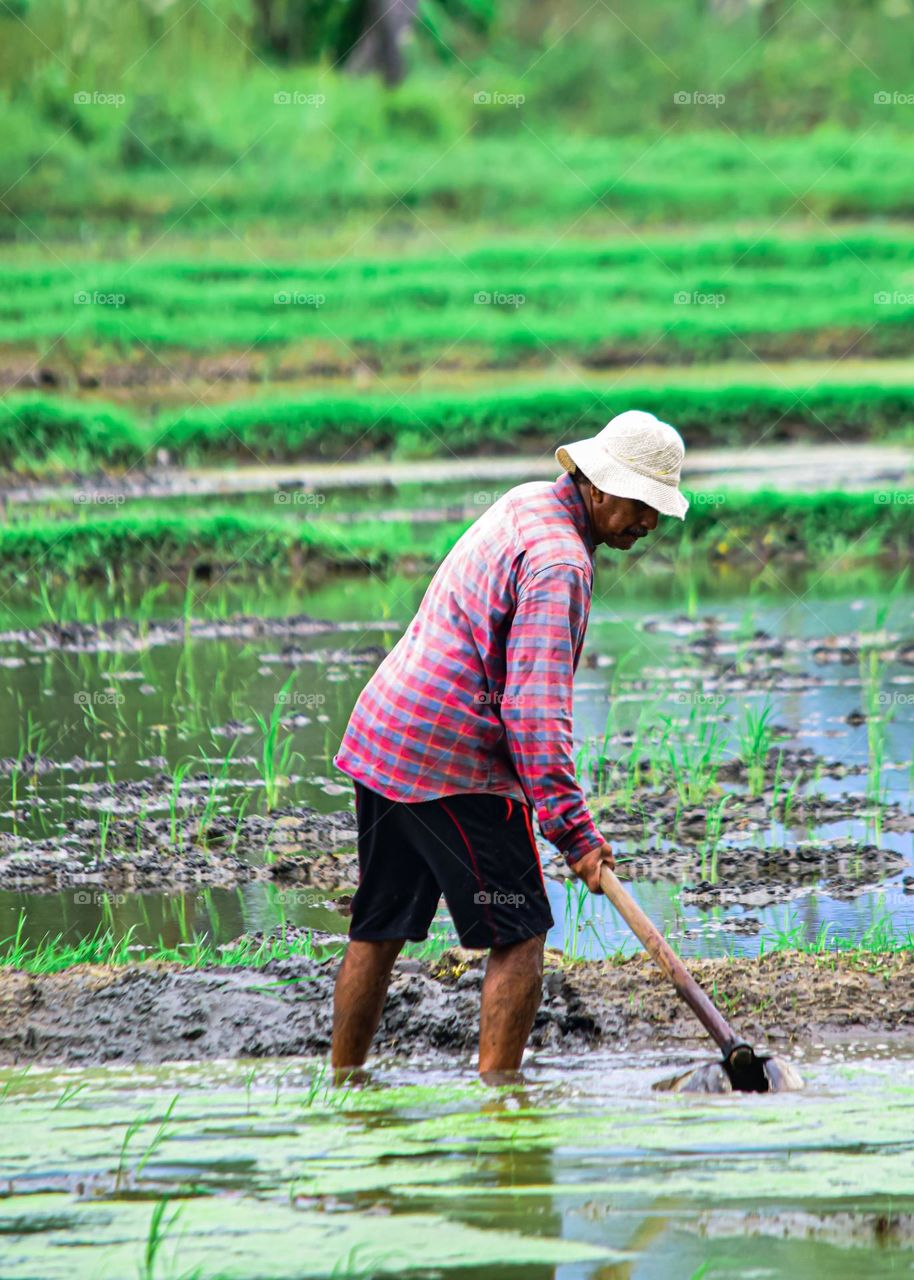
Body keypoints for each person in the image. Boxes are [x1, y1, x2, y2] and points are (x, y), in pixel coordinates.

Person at [330, 410, 689, 1076]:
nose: (649, 523)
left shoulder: (527, 502)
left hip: (386, 733)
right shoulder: (560, 564)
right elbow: (532, 711)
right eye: (641, 504)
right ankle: (502, 1106)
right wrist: (574, 832)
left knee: (377, 924)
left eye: (659, 509)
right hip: (450, 761)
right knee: (520, 932)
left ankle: (344, 1084)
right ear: (599, 486)